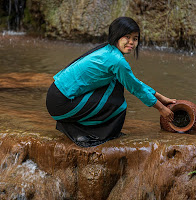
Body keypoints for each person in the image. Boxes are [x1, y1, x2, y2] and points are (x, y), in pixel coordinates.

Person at [46, 17, 176, 147]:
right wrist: (161, 109)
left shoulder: (107, 50)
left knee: (115, 84)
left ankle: (80, 127)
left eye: (135, 39)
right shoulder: (117, 60)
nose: (131, 42)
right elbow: (135, 88)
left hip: (56, 98)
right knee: (118, 103)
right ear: (116, 36)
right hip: (61, 104)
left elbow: (135, 83)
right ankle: (91, 133)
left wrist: (161, 98)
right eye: (127, 37)